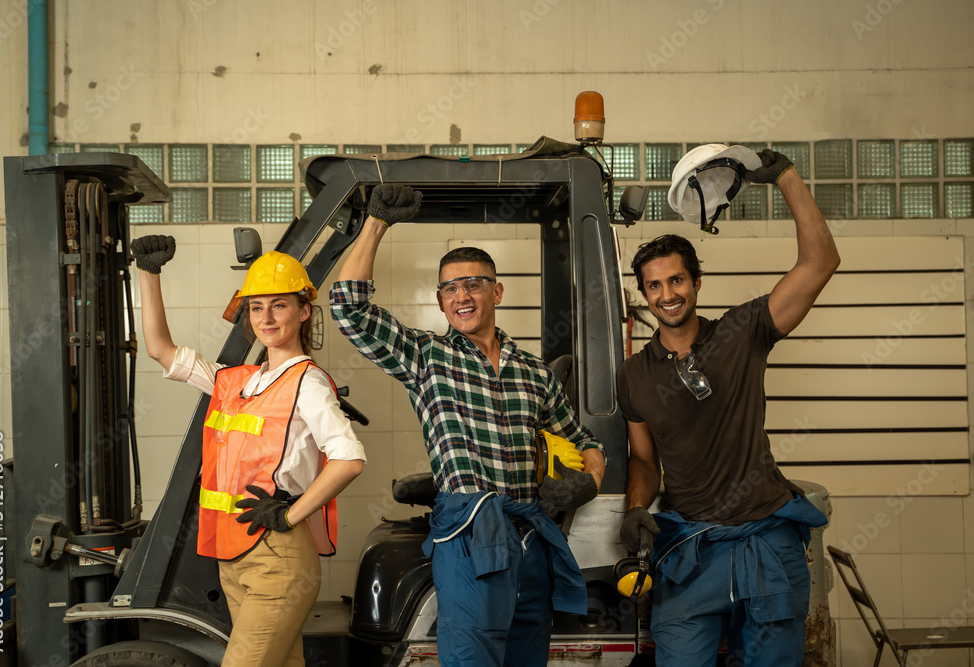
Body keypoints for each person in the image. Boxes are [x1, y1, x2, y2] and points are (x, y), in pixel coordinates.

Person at [328, 184, 607, 667]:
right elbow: (349, 308)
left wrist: (589, 482)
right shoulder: (425, 358)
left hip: (530, 539)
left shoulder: (534, 372)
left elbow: (585, 440)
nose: (462, 295)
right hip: (469, 537)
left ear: (495, 291)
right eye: (450, 288)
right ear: (439, 302)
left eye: (473, 284)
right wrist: (376, 222)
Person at [617, 150, 840, 666]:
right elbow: (646, 462)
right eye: (655, 285)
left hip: (766, 540)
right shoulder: (635, 375)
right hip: (691, 549)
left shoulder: (743, 332)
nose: (667, 294)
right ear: (645, 294)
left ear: (696, 282)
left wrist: (785, 176)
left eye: (676, 280)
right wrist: (634, 508)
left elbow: (821, 262)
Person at [131, 237, 366, 667]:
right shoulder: (235, 381)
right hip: (232, 557)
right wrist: (149, 273)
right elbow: (160, 350)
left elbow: (349, 459)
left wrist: (290, 513)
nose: (267, 317)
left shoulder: (307, 383)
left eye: (279, 305)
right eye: (257, 307)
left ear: (303, 310)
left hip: (277, 557)